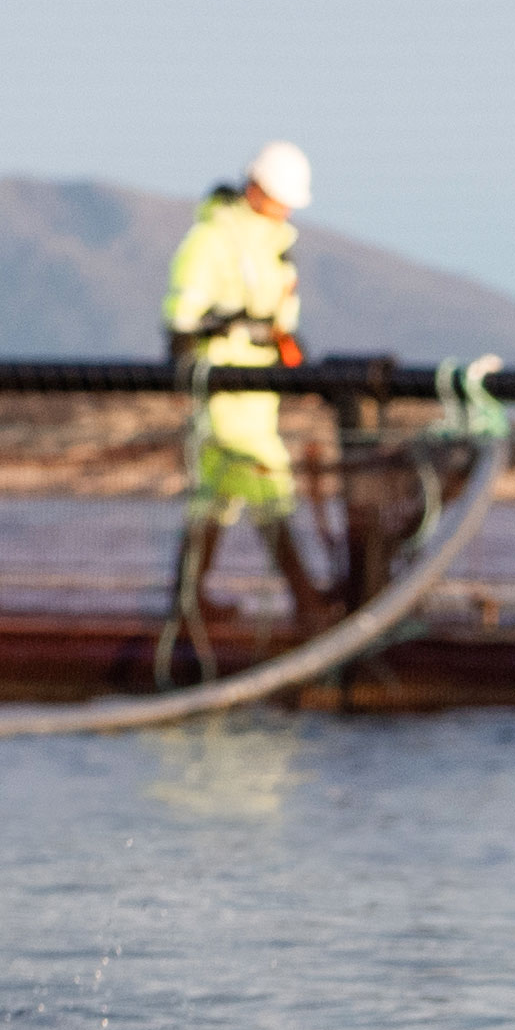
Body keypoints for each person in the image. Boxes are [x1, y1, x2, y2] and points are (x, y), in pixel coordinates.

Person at [159, 141, 316, 671]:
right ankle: (308, 603)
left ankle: (187, 603)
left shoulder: (276, 249)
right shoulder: (212, 239)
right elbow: (181, 319)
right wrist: (198, 350)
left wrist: (288, 347)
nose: (285, 209)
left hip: (260, 386)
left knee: (215, 496)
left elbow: (282, 318)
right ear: (257, 189)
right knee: (266, 476)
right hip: (224, 384)